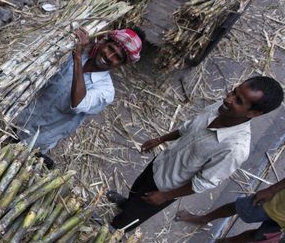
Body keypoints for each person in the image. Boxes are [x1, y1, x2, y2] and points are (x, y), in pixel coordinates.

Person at [109, 76, 284, 231]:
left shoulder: (235, 148)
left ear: (254, 113)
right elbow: (188, 128)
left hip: (165, 186)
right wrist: (161, 140)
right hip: (160, 163)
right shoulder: (221, 108)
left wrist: (165, 196)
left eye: (238, 100)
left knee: (133, 215)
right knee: (136, 191)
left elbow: (203, 183)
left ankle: (115, 230)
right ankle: (127, 204)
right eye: (233, 92)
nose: (228, 99)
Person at [10, 27, 144, 166]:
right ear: (104, 42)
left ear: (121, 64)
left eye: (117, 57)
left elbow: (77, 104)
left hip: (36, 138)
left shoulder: (106, 91)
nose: (109, 57)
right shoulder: (71, 51)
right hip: (18, 116)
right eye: (110, 48)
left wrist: (78, 58)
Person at [176, 178, 285, 243]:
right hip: (278, 203)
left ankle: (227, 242)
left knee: (259, 236)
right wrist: (271, 190)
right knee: (241, 207)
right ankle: (204, 218)